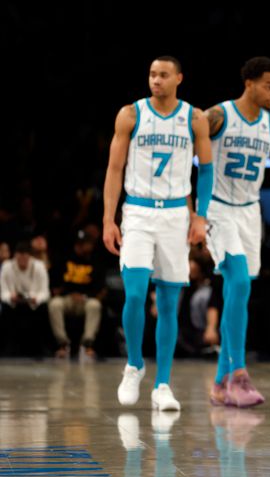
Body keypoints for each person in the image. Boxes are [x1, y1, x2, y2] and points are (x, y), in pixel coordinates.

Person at [103, 55, 213, 411]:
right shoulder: (130, 114)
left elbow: (207, 171)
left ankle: (163, 383)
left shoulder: (194, 118)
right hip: (137, 210)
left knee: (169, 302)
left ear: (179, 78)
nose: (156, 80)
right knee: (135, 295)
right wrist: (109, 219)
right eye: (152, 74)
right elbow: (114, 168)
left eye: (163, 75)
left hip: (175, 216)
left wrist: (201, 216)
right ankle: (134, 363)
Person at [204, 56, 270, 408]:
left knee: (241, 294)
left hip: (249, 213)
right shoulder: (217, 116)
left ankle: (220, 382)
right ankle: (238, 374)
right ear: (248, 83)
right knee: (237, 284)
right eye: (268, 86)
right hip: (218, 208)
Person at [48, 229, 106, 361]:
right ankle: (63, 344)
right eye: (86, 244)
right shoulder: (64, 259)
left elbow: (100, 288)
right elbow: (55, 284)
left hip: (86, 299)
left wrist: (85, 296)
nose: (89, 247)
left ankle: (87, 345)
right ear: (78, 245)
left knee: (95, 305)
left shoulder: (95, 261)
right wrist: (69, 293)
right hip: (67, 298)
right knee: (54, 304)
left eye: (90, 243)